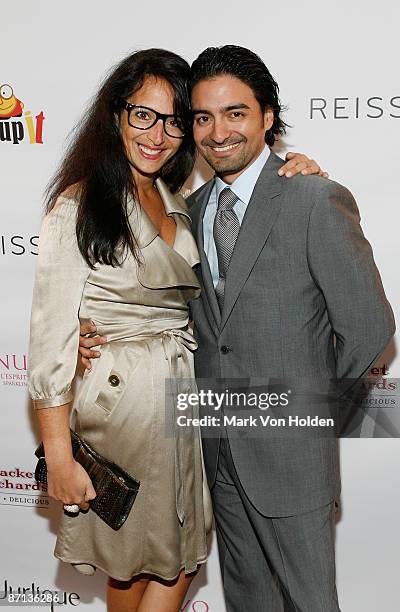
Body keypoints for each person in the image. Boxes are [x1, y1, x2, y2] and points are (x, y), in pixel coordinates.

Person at [81, 45, 395, 611]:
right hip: (214, 457)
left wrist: (309, 421)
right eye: (202, 117)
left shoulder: (313, 198)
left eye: (236, 113)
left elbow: (369, 327)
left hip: (291, 461)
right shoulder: (188, 211)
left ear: (268, 117)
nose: (218, 131)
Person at [29, 48, 323, 612]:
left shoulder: (178, 200)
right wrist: (59, 457)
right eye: (143, 114)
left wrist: (298, 167)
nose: (157, 134)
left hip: (186, 406)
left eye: (173, 120)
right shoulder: (79, 205)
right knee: (131, 566)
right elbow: (49, 344)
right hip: (122, 415)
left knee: (180, 556)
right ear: (115, 115)